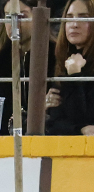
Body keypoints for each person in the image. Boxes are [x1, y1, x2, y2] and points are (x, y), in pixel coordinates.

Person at [0, 0, 56, 135]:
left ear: (38, 18)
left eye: (22, 16)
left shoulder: (56, 57)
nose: (14, 23)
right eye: (9, 17)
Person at [45, 0, 94, 135]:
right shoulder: (65, 61)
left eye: (84, 17)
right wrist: (45, 108)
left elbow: (82, 117)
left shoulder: (73, 67)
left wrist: (75, 76)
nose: (74, 25)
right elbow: (54, 123)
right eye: (70, 18)